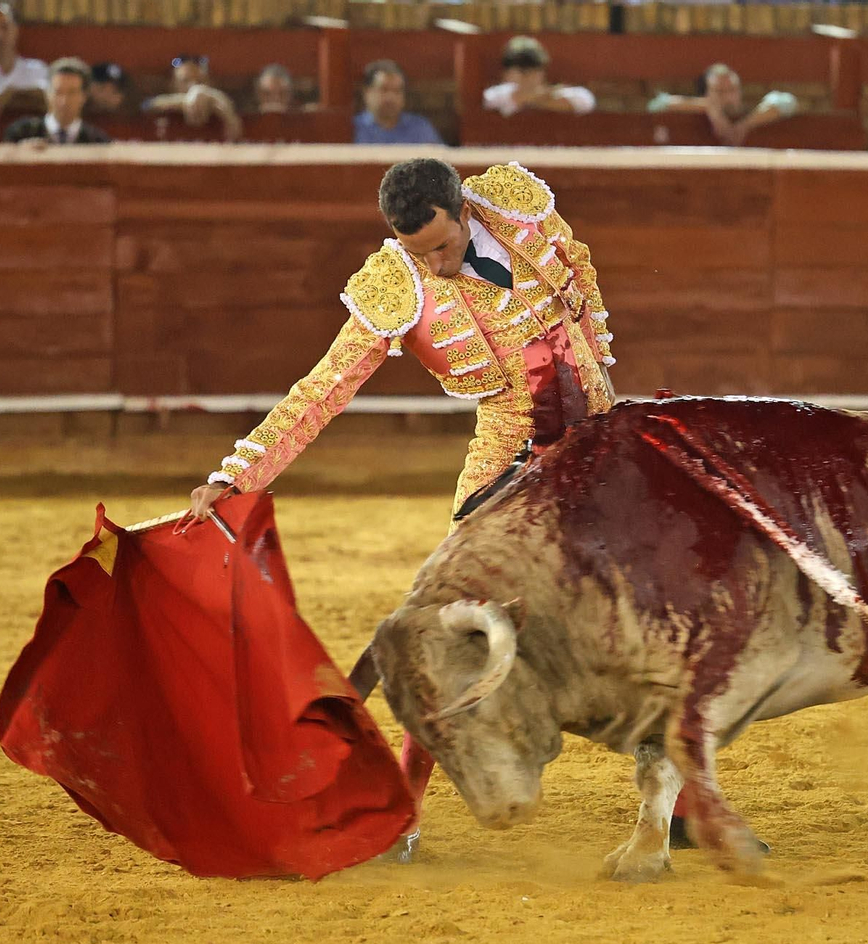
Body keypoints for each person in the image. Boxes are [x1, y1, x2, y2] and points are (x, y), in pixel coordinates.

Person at [181, 159, 618, 844]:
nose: (438, 267)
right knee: (456, 628)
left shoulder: (514, 203)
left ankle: (680, 812)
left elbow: (580, 277)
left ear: (464, 210)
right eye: (420, 253)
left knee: (658, 599)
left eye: (443, 247)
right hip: (509, 448)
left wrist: (603, 383)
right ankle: (404, 814)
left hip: (600, 438)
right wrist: (238, 476)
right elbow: (321, 389)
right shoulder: (396, 286)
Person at [648, 63, 799, 147]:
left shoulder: (752, 112)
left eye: (732, 90)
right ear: (707, 94)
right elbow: (655, 104)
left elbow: (788, 102)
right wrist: (708, 108)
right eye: (719, 91)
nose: (727, 96)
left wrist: (744, 125)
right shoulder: (703, 106)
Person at [482, 36, 595, 117]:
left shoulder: (571, 94)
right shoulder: (496, 95)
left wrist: (534, 98)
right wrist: (539, 98)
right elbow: (491, 103)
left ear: (541, 72)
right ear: (507, 74)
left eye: (532, 71)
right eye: (522, 72)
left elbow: (586, 101)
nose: (528, 78)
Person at [5, 57, 110, 144]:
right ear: (47, 94)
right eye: (58, 92)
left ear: (84, 96)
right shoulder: (21, 133)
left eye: (72, 93)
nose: (64, 101)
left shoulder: (97, 140)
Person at [142, 54, 242, 141]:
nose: (193, 85)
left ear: (211, 83)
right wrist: (183, 101)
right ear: (171, 84)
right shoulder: (155, 103)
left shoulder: (219, 100)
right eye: (185, 80)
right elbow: (146, 106)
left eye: (200, 81)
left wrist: (213, 97)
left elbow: (234, 125)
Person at [353, 59, 442, 145]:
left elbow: (438, 158)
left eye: (397, 91)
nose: (390, 97)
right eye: (384, 90)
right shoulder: (353, 129)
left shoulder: (420, 128)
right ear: (367, 92)